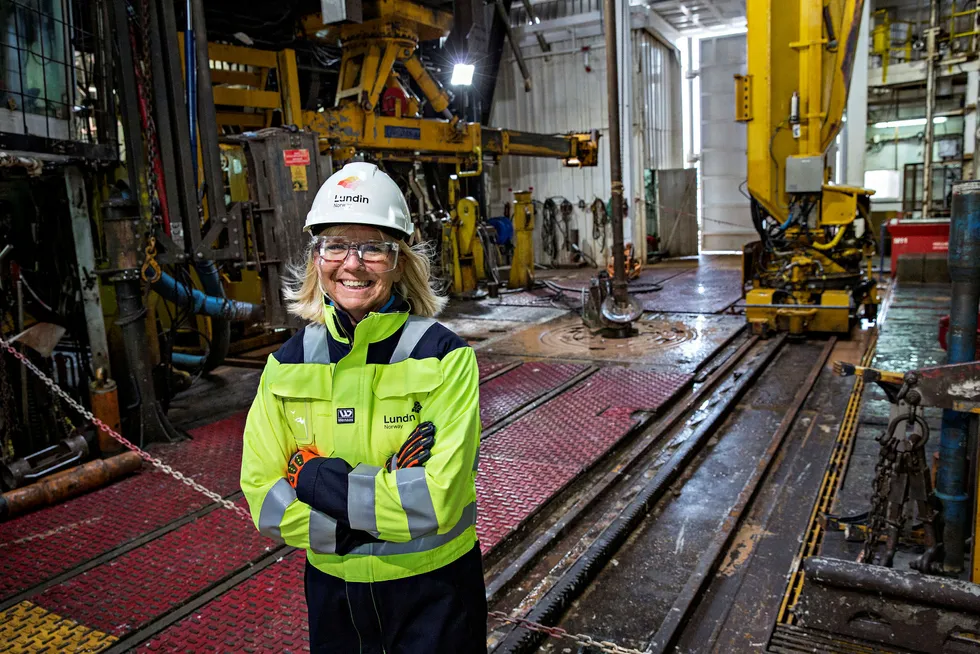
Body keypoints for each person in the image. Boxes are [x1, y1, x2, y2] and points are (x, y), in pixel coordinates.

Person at [240, 162, 486, 653]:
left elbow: (435, 499)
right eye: (335, 245)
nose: (351, 264)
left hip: (434, 591)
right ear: (317, 257)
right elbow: (262, 495)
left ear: (400, 260)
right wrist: (379, 500)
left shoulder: (445, 359)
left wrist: (310, 479)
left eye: (373, 247)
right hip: (335, 594)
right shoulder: (285, 365)